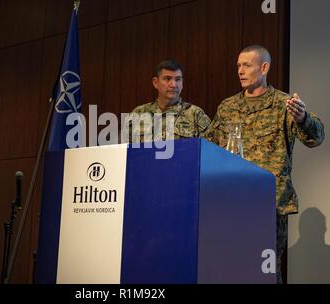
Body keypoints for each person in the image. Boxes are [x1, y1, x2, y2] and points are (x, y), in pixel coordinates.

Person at [204, 45, 325, 283]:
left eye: (246, 65)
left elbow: (316, 138)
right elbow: (208, 147)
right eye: (238, 65)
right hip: (230, 202)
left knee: (265, 272)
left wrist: (303, 118)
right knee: (230, 267)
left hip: (269, 204)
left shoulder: (284, 104)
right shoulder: (227, 107)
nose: (240, 70)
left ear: (264, 67)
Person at [127, 59, 211, 143]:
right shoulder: (138, 113)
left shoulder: (196, 115)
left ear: (182, 83)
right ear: (156, 83)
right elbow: (125, 151)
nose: (173, 85)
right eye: (167, 79)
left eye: (178, 79)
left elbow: (209, 151)